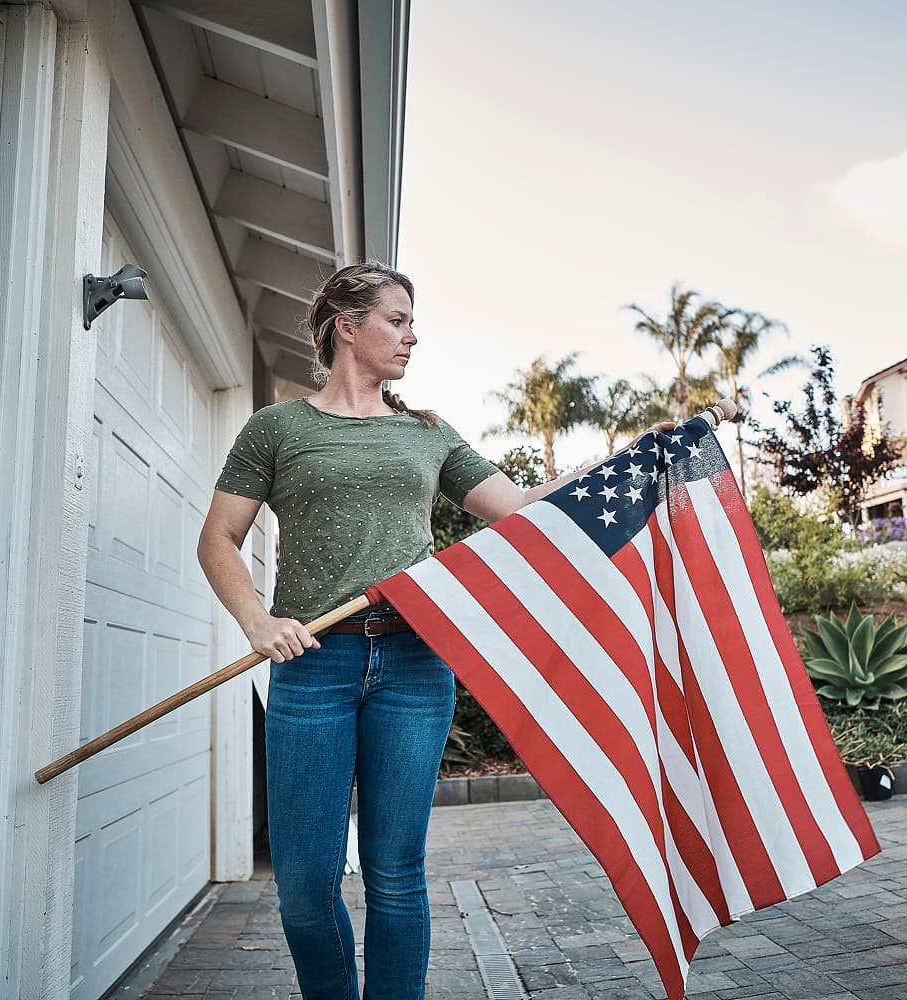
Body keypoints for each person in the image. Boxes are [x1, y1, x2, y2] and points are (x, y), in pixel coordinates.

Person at [196, 261, 667, 999]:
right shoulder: (278, 428)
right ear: (348, 328)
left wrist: (626, 462)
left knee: (395, 872)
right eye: (399, 320)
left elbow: (520, 510)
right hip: (312, 666)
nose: (414, 337)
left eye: (413, 323)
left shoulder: (428, 432)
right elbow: (219, 538)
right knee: (304, 885)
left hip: (415, 666)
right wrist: (258, 620)